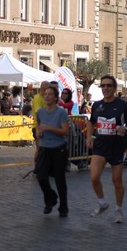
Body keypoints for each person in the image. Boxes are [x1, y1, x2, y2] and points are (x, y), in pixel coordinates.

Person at [86, 75, 127, 224]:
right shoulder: (97, 105)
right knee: (94, 178)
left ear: (114, 88)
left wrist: (124, 129)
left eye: (108, 86)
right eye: (103, 86)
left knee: (117, 181)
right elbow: (91, 122)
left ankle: (118, 210)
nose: (105, 88)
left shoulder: (122, 105)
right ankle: (102, 203)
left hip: (116, 147)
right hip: (100, 146)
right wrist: (88, 137)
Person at [35, 86, 70, 217]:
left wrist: (49, 128)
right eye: (45, 94)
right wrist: (38, 133)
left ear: (56, 97)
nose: (47, 96)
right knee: (41, 176)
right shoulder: (40, 112)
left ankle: (63, 206)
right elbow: (38, 127)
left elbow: (65, 131)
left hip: (59, 148)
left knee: (60, 179)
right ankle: (50, 198)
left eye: (50, 94)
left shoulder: (61, 112)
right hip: (44, 148)